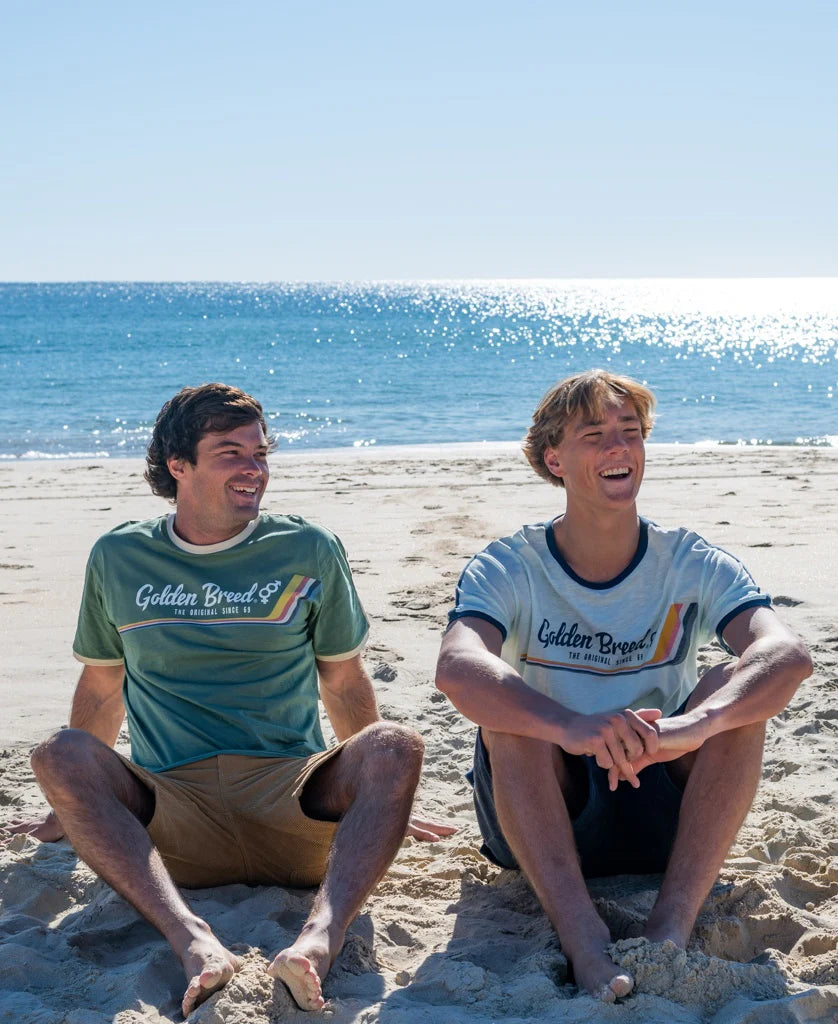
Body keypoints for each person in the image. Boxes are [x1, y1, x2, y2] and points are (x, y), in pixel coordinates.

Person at [10, 383, 454, 1017]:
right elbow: (103, 686)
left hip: (292, 808)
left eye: (260, 452)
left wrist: (381, 807)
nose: (254, 468)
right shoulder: (120, 556)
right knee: (58, 753)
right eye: (230, 452)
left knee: (395, 745)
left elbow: (346, 680)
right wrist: (71, 811)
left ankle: (317, 943)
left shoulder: (307, 548)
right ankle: (193, 940)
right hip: (172, 824)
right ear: (179, 466)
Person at [435, 369, 812, 1003]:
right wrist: (574, 728)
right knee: (508, 710)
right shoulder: (509, 564)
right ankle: (581, 938)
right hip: (546, 812)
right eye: (595, 434)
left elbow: (786, 652)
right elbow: (457, 664)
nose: (619, 448)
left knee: (730, 684)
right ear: (553, 458)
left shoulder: (688, 559)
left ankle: (670, 926)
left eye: (630, 433)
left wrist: (692, 726)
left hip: (661, 800)